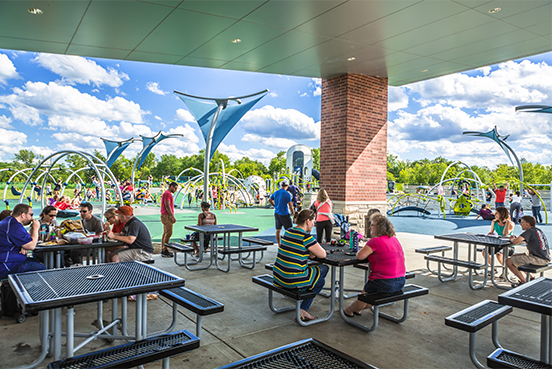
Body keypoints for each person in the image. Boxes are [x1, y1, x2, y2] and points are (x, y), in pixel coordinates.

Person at [343, 213, 406, 317]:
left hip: (384, 281)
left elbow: (360, 256)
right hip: (400, 281)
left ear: (378, 227)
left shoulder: (375, 241)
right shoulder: (394, 239)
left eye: (372, 225)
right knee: (371, 297)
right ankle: (358, 309)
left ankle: (348, 310)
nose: (370, 227)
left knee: (364, 296)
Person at [273, 209, 328, 321]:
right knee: (323, 273)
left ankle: (304, 293)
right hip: (291, 279)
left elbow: (294, 250)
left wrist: (307, 253)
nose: (314, 224)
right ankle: (303, 308)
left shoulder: (288, 232)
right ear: (308, 221)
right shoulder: (306, 237)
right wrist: (310, 252)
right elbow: (322, 254)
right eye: (313, 222)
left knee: (315, 272)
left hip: (278, 276)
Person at [0, 204, 44, 279]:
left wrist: (24, 246)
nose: (32, 218)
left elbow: (28, 241)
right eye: (31, 215)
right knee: (40, 267)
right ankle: (28, 289)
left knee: (36, 261)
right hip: (7, 266)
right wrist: (35, 228)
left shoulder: (10, 222)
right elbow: (31, 245)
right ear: (23, 215)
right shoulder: (13, 225)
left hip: (11, 261)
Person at [507, 216, 550, 287]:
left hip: (538, 259)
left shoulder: (529, 231)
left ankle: (524, 282)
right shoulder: (537, 231)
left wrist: (512, 238)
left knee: (508, 261)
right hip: (544, 258)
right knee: (514, 257)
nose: (520, 224)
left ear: (527, 224)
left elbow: (515, 241)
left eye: (522, 222)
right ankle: (530, 277)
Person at [484, 207, 515, 271]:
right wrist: (490, 234)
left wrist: (507, 223)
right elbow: (491, 232)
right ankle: (494, 268)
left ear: (502, 214)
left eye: (496, 213)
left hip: (508, 246)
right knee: (485, 252)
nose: (494, 215)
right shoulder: (494, 222)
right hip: (498, 244)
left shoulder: (511, 224)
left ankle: (506, 270)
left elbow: (505, 234)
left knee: (499, 255)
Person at [269, 180, 295, 247]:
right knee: (289, 230)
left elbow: (270, 199)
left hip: (277, 213)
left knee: (278, 230)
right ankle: (289, 244)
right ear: (287, 186)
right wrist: (293, 213)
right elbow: (290, 205)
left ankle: (279, 244)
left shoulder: (276, 192)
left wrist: (274, 205)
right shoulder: (287, 194)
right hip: (285, 214)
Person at [160, 182, 177, 258]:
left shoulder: (167, 193)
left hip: (165, 215)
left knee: (165, 232)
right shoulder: (167, 194)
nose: (175, 190)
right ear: (171, 187)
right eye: (175, 188)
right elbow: (167, 205)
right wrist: (172, 216)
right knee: (169, 233)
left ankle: (164, 248)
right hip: (167, 215)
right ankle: (164, 249)